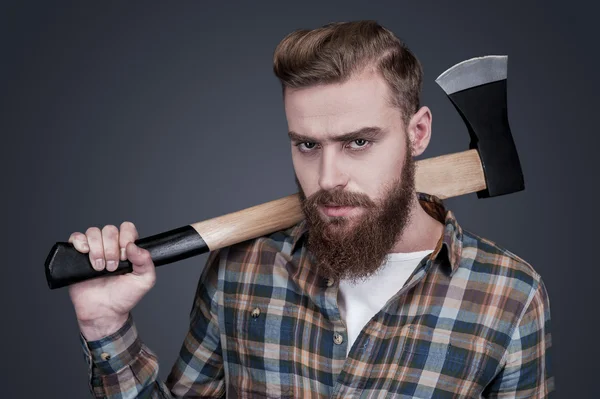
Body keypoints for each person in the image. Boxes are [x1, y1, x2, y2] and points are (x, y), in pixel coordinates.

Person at [68, 20, 554, 398]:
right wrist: (105, 328)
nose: (326, 179)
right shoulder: (241, 270)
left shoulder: (508, 297)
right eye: (306, 145)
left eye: (359, 142)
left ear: (418, 133)